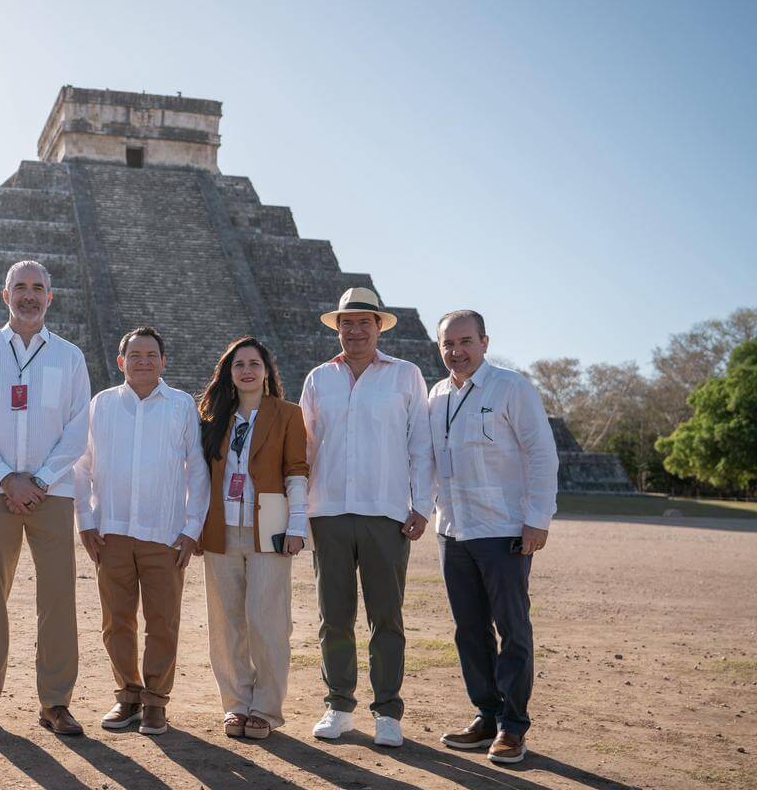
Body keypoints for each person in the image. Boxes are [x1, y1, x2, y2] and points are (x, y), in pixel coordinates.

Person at [0, 260, 91, 735]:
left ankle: (55, 702)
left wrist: (41, 481)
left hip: (53, 492)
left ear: (50, 297)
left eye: (38, 289)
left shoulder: (70, 357)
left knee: (57, 598)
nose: (29, 296)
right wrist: (7, 478)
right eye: (20, 288)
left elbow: (78, 429)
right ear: (5, 294)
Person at [301, 287, 435, 748]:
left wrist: (422, 505)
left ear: (379, 327)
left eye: (364, 323)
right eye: (347, 323)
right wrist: (300, 513)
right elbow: (306, 448)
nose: (354, 331)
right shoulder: (319, 378)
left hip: (386, 512)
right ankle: (338, 705)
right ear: (337, 328)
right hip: (329, 512)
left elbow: (420, 444)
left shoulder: (405, 375)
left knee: (386, 617)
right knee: (333, 617)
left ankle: (388, 712)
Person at [429, 310, 557, 764]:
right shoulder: (437, 395)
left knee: (512, 629)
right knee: (469, 630)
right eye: (447, 343)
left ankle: (513, 726)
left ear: (484, 341)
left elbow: (541, 453)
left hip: (502, 529)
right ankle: (486, 714)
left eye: (465, 341)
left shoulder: (512, 388)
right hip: (453, 530)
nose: (456, 352)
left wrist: (537, 518)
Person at [75, 327, 209, 736]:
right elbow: (81, 465)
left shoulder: (182, 405)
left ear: (164, 362)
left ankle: (156, 702)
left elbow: (197, 468)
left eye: (152, 355)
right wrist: (86, 521)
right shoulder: (101, 405)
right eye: (135, 355)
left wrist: (192, 528)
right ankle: (127, 695)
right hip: (111, 530)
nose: (144, 361)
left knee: (162, 621)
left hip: (164, 533)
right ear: (122, 362)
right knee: (116, 621)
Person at [198, 337, 309, 741]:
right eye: (238, 364)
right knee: (225, 622)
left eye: (254, 364)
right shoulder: (214, 417)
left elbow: (297, 471)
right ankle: (235, 703)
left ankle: (265, 708)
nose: (246, 370)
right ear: (229, 373)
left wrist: (296, 526)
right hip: (221, 528)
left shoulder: (287, 414)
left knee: (268, 621)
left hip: (272, 527)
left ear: (266, 371)